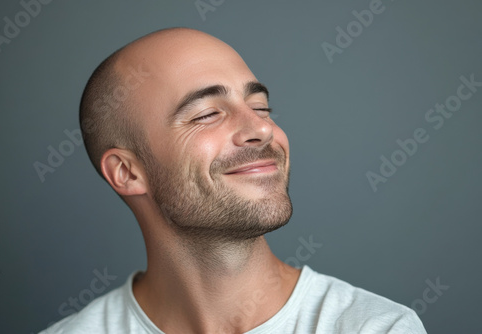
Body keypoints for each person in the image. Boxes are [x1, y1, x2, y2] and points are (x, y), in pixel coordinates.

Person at [40, 28, 427, 334]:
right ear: (127, 172)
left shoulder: (375, 327)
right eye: (207, 114)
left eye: (260, 106)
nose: (261, 127)